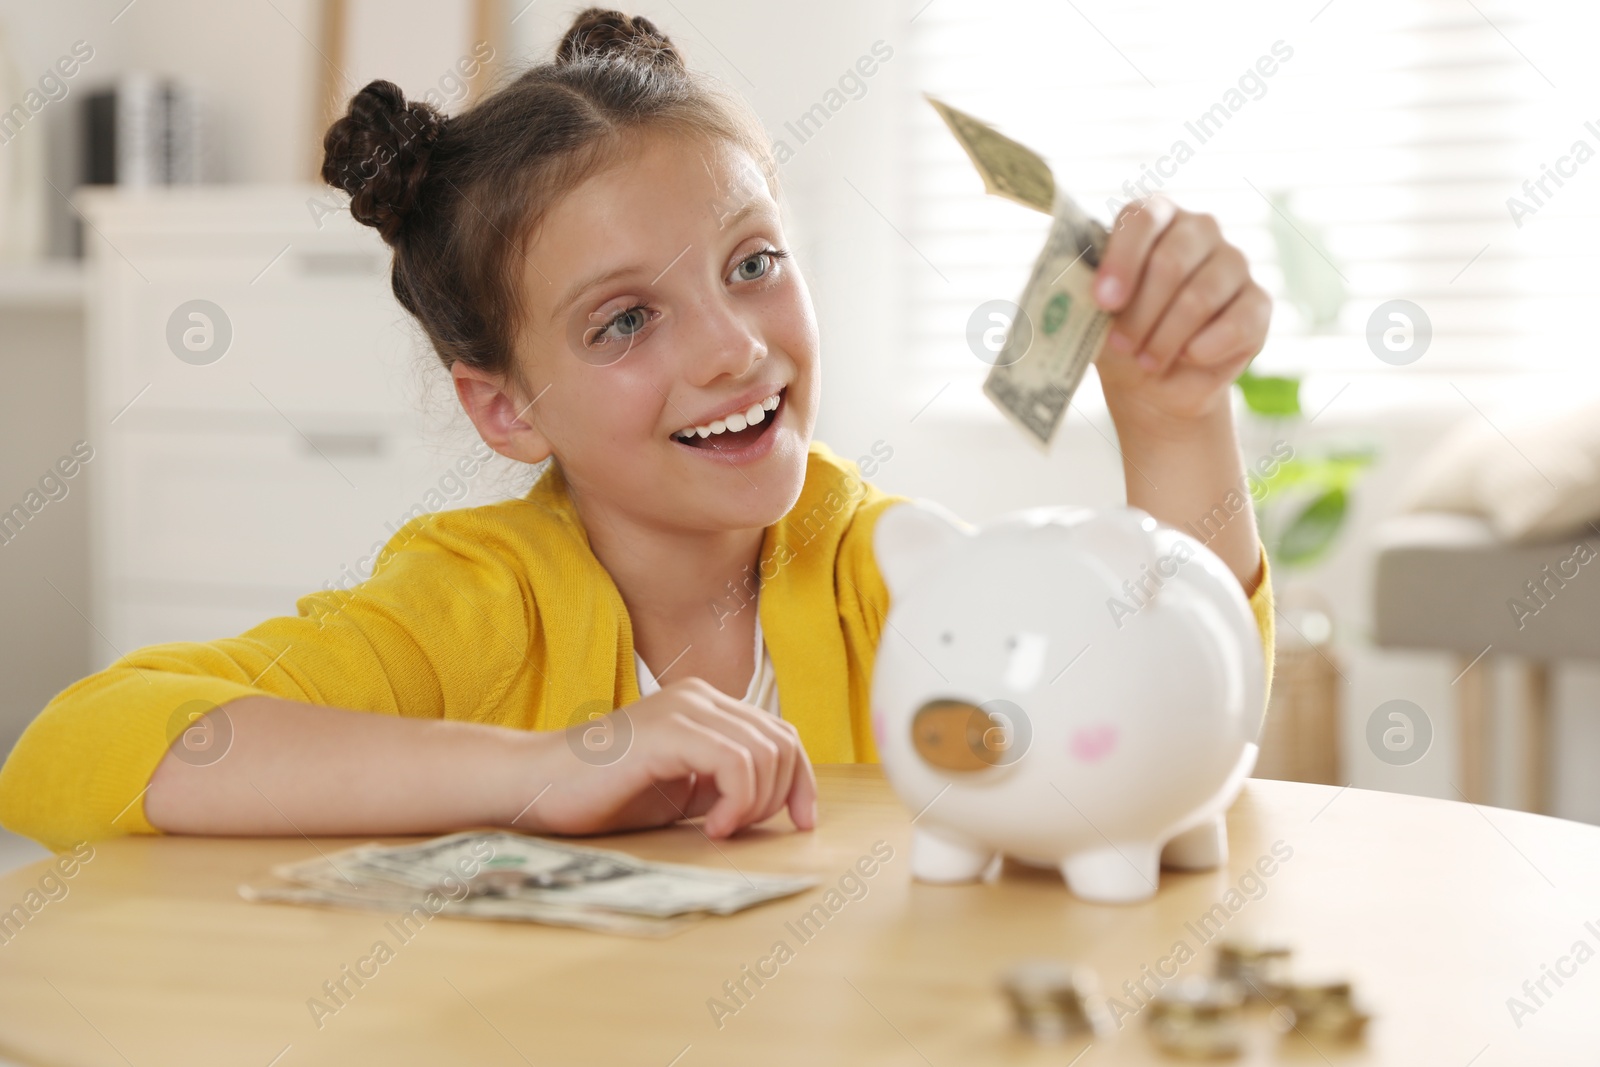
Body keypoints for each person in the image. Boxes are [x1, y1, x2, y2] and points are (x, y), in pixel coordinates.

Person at [0, 8, 1275, 853]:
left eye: (753, 260)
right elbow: (72, 749)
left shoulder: (883, 576)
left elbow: (1166, 724)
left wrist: (1173, 419)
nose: (731, 343)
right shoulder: (472, 604)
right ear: (503, 406)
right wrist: (552, 763)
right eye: (622, 322)